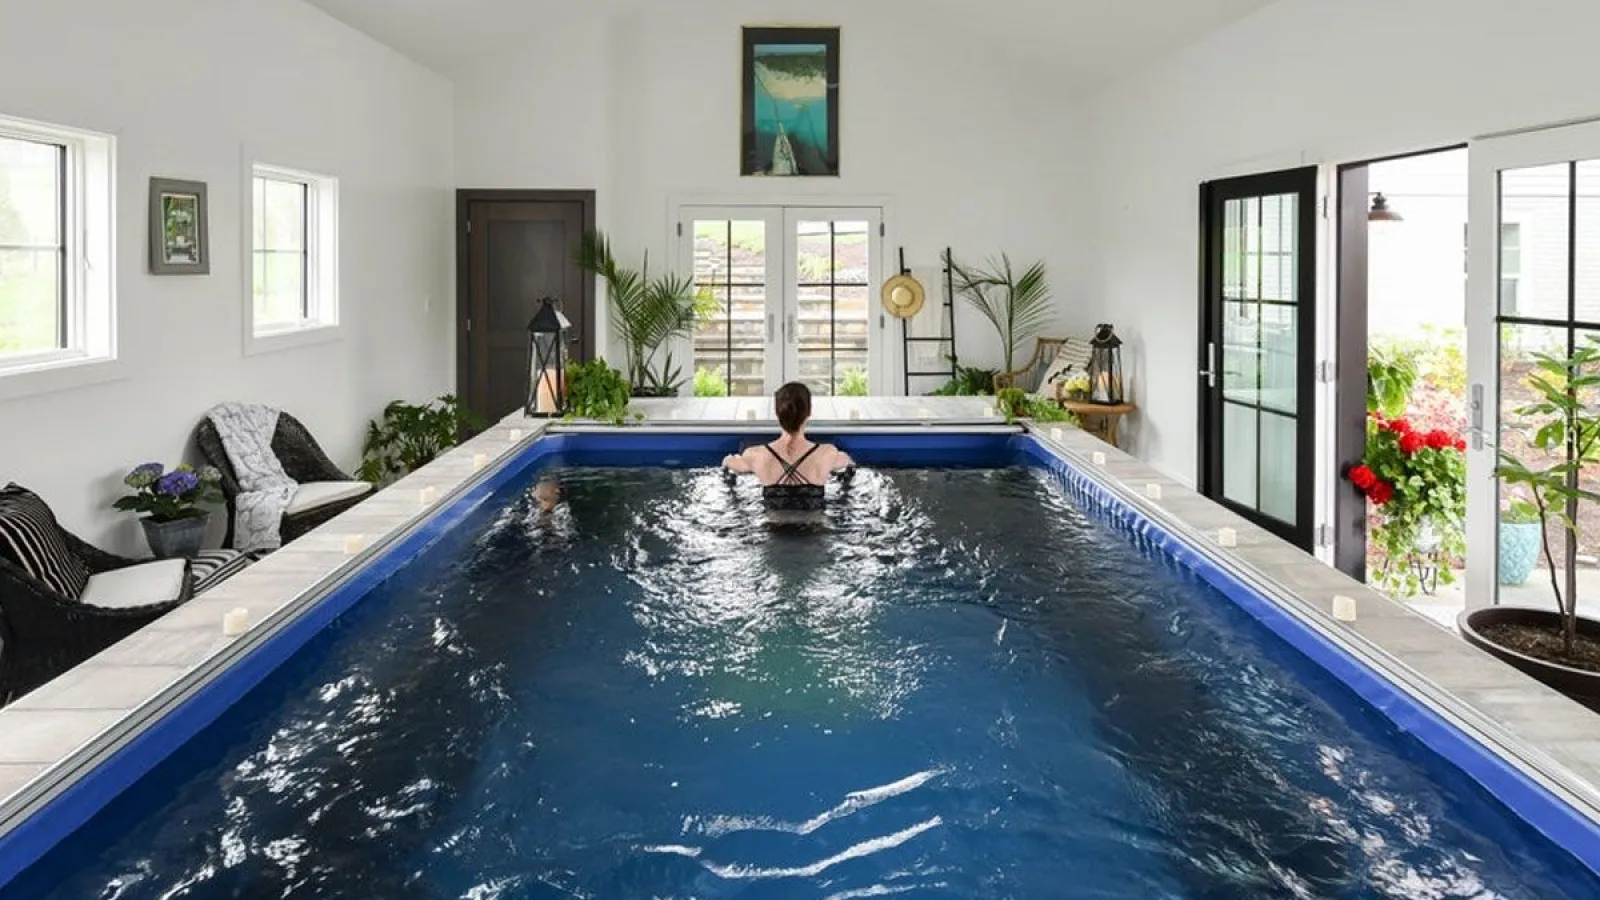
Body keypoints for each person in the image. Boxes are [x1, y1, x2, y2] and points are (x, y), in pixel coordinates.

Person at [722, 382, 854, 510]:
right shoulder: (827, 453)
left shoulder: (755, 455)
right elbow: (848, 462)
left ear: (777, 413)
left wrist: (728, 460)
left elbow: (729, 463)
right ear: (809, 412)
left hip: (771, 524)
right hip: (815, 523)